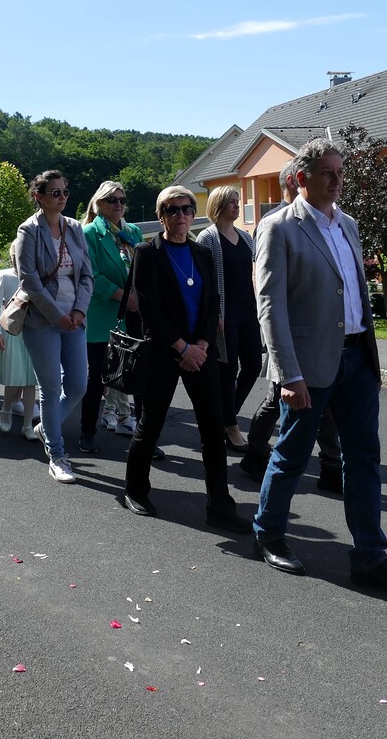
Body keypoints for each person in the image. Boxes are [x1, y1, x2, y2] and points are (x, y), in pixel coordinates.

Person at [251, 139, 387, 597]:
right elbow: (270, 306)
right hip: (308, 365)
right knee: (292, 454)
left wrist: (370, 357)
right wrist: (288, 374)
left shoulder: (348, 223)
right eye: (327, 172)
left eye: (341, 172)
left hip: (357, 359)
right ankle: (268, 533)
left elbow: (354, 293)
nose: (337, 180)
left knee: (364, 458)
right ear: (301, 178)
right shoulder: (278, 228)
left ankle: (370, 556)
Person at [118, 185, 247, 532]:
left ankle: (220, 506)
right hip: (164, 352)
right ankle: (135, 490)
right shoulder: (147, 253)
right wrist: (181, 347)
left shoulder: (201, 252)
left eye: (187, 209)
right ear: (160, 215)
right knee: (151, 424)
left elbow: (212, 303)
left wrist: (201, 344)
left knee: (213, 429)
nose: (181, 215)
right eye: (172, 210)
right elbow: (149, 309)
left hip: (201, 351)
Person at [238, 160, 344, 493]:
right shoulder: (274, 223)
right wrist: (272, 334)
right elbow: (262, 283)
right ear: (294, 181)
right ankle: (255, 453)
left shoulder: (327, 220)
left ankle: (331, 464)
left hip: (322, 336)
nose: (334, 180)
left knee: (326, 405)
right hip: (284, 332)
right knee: (276, 399)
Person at [12, 170, 94, 484]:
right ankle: (57, 455)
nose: (62, 197)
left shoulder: (74, 228)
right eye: (55, 192)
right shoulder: (29, 230)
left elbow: (87, 275)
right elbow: (29, 281)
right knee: (50, 389)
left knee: (78, 386)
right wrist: (57, 315)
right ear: (39, 197)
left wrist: (78, 311)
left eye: (64, 192)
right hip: (42, 321)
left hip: (75, 319)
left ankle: (46, 427)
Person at [194, 184, 262, 452]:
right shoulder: (207, 238)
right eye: (233, 201)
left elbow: (254, 273)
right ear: (220, 205)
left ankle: (226, 415)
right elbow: (204, 283)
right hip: (224, 312)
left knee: (254, 365)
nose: (237, 205)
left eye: (238, 201)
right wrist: (215, 316)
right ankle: (230, 425)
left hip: (247, 310)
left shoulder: (245, 237)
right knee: (227, 368)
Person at [80, 180, 143, 454]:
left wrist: (141, 296)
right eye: (112, 200)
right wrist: (122, 296)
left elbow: (144, 270)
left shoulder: (133, 232)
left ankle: (145, 436)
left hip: (135, 315)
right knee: (97, 379)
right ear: (99, 204)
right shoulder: (89, 234)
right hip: (104, 316)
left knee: (138, 377)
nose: (118, 204)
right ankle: (87, 431)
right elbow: (90, 276)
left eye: (122, 199)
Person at [0, 265, 40, 439]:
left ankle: (27, 425)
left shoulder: (37, 274)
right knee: (15, 374)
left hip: (34, 329)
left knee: (30, 379)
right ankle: (6, 408)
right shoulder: (5, 276)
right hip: (12, 330)